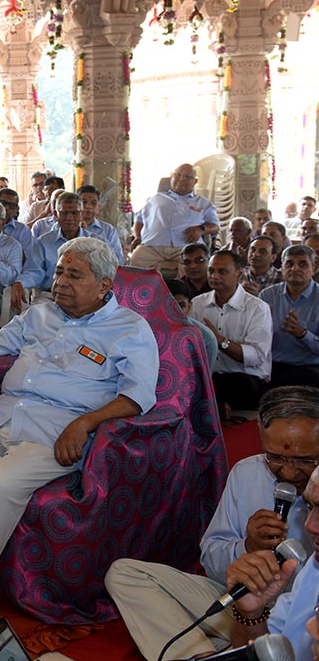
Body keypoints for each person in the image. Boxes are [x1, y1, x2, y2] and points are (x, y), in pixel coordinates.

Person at [0, 237, 158, 634]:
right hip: (6, 412)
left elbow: (138, 397)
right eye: (59, 272)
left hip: (60, 429)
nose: (61, 282)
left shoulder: (129, 329)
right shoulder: (39, 314)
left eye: (74, 275)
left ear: (104, 286)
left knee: (2, 481)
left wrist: (85, 423)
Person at [105, 386, 317, 660]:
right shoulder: (246, 473)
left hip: (304, 618)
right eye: (275, 457)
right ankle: (203, 655)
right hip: (244, 605)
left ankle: (227, 651)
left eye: (304, 460)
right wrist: (248, 547)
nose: (288, 471)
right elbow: (211, 562)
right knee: (125, 574)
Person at [222, 461, 319, 660]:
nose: (309, 525)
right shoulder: (313, 568)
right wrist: (252, 614)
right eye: (310, 506)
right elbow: (265, 652)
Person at [190, 251, 272, 417]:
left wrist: (219, 341)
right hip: (210, 377)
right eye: (211, 271)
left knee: (238, 384)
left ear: (239, 273)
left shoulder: (257, 308)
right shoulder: (198, 303)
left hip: (245, 379)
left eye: (222, 271)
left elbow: (256, 357)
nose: (214, 276)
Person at [130, 164, 220, 275]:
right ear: (171, 177)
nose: (181, 179)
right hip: (152, 246)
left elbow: (215, 226)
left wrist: (201, 229)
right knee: (136, 259)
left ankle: (186, 286)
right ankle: (145, 287)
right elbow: (139, 219)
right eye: (178, 175)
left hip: (186, 247)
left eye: (188, 177)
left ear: (195, 181)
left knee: (195, 265)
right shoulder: (155, 199)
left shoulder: (203, 203)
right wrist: (138, 237)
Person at [14, 192, 88, 311]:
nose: (69, 218)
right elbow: (34, 271)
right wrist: (20, 283)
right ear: (55, 214)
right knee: (34, 314)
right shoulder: (43, 242)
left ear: (81, 214)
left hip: (85, 297)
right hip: (51, 296)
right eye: (64, 213)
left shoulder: (93, 242)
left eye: (74, 213)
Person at [262, 246, 319, 388]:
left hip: (311, 369)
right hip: (273, 367)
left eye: (302, 264)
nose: (295, 269)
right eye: (289, 264)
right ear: (281, 267)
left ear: (313, 267)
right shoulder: (267, 295)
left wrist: (303, 334)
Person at [166, 279, 219, 368]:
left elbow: (205, 374)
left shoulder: (205, 338)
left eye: (181, 306)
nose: (175, 311)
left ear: (189, 306)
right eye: (170, 306)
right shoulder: (146, 332)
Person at [77, 185, 124, 264]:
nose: (88, 206)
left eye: (93, 203)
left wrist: (88, 234)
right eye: (84, 202)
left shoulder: (109, 230)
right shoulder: (69, 227)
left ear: (98, 207)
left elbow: (118, 260)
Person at [0, 188, 35, 259]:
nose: (6, 208)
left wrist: (1, 234)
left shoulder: (23, 230)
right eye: (3, 203)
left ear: (16, 210)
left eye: (12, 205)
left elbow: (26, 260)